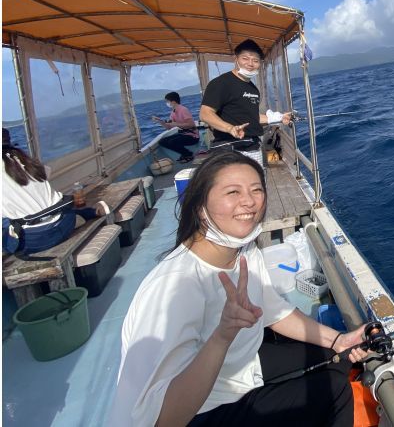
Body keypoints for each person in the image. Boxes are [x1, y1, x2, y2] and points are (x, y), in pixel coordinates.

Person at [108, 150, 368, 426]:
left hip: (236, 370)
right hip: (198, 411)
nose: (249, 201)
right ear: (200, 207)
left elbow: (272, 309)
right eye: (232, 192)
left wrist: (339, 340)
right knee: (334, 390)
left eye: (256, 189)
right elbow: (163, 419)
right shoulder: (174, 287)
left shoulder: (242, 249)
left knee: (340, 358)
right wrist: (223, 335)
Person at [2, 128, 109, 254]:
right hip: (65, 223)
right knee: (52, 213)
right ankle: (89, 213)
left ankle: (83, 216)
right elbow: (45, 174)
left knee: (6, 236)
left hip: (35, 241)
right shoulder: (24, 160)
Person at [200, 39, 292, 149]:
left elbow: (251, 117)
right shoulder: (221, 83)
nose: (250, 64)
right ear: (236, 59)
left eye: (255, 60)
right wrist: (230, 128)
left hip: (253, 144)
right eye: (245, 58)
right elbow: (205, 113)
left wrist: (278, 117)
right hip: (229, 146)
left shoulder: (253, 89)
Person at [152, 91, 200, 163]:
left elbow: (191, 124)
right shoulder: (173, 112)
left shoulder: (183, 110)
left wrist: (175, 124)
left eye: (167, 101)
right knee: (162, 141)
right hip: (184, 134)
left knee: (172, 142)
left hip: (193, 136)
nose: (167, 103)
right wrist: (160, 121)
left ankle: (188, 154)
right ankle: (185, 154)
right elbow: (169, 127)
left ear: (173, 101)